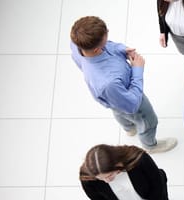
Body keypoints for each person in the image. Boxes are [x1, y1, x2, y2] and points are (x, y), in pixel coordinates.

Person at [70, 16, 177, 153]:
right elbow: (132, 104)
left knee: (119, 111)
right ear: (97, 49)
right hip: (129, 97)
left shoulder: (77, 43)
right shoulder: (109, 83)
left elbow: (109, 45)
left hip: (115, 99)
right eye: (105, 37)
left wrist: (121, 49)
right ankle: (150, 145)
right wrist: (137, 69)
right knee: (148, 122)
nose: (108, 34)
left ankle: (129, 128)